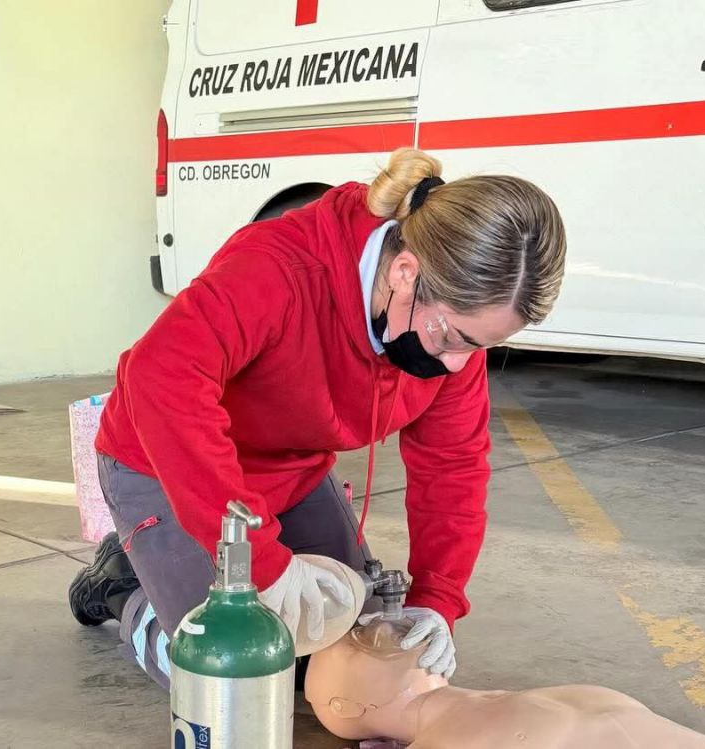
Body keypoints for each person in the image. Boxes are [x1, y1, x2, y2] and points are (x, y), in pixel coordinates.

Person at [69, 147, 567, 689]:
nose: (456, 364)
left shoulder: (453, 342)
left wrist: (436, 600)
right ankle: (123, 587)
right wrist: (259, 563)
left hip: (289, 466)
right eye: (451, 337)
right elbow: (159, 379)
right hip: (163, 464)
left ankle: (175, 565)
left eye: (479, 347)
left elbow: (454, 468)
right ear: (405, 272)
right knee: (231, 670)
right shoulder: (279, 269)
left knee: (342, 646)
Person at [305, 618, 705, 748]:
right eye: (351, 640)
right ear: (345, 706)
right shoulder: (578, 695)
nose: (368, 623)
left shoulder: (569, 695)